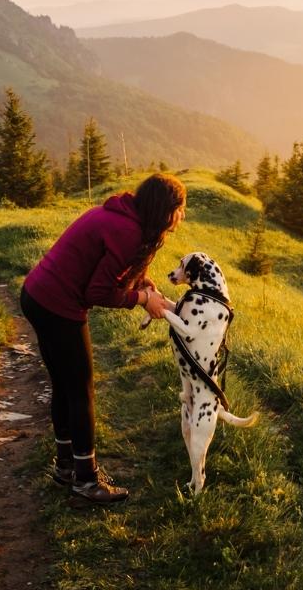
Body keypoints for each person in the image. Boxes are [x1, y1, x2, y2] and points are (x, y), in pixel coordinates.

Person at [20, 173, 186, 504]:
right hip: (57, 305)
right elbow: (97, 291)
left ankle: (66, 467)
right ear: (165, 210)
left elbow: (115, 266)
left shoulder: (126, 218)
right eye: (180, 208)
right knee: (81, 390)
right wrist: (141, 300)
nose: (182, 216)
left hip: (35, 295)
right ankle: (86, 481)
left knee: (65, 387)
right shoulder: (129, 231)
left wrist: (144, 283)